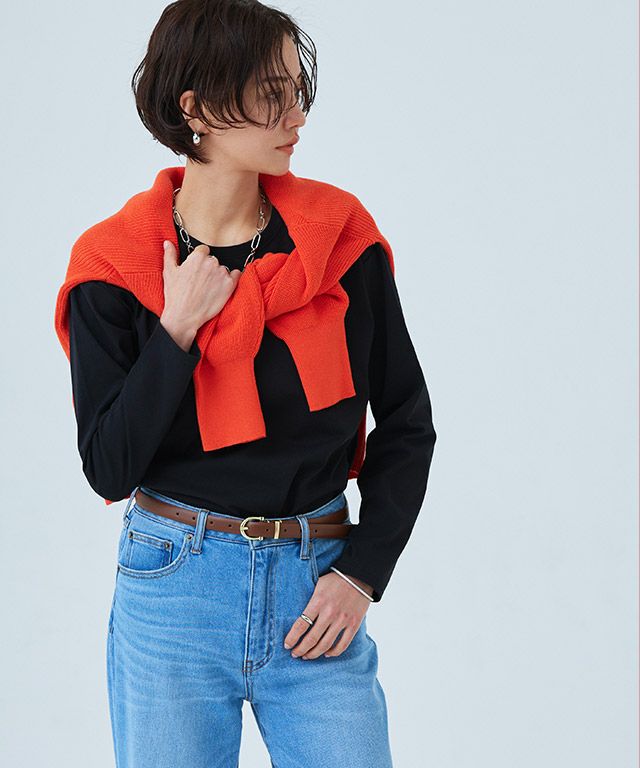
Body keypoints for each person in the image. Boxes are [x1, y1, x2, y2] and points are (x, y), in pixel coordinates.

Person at [53, 1, 437, 766]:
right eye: (271, 93)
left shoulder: (339, 240)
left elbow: (406, 420)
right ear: (195, 109)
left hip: (316, 585)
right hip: (174, 590)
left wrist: (363, 573)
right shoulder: (114, 267)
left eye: (297, 90)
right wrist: (176, 332)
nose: (296, 114)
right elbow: (109, 466)